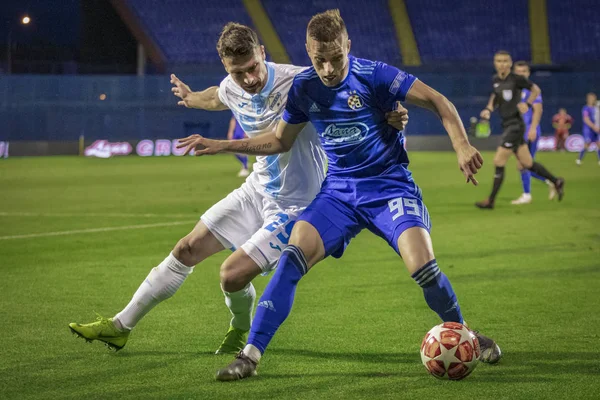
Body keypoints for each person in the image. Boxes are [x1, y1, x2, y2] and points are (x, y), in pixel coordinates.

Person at [177, 9, 502, 381]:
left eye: (336, 59)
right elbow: (280, 141)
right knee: (291, 257)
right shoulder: (304, 88)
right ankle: (250, 355)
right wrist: (221, 144)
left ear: (348, 45)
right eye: (319, 60)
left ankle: (464, 333)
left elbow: (438, 101)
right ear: (308, 52)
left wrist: (461, 146)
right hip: (339, 193)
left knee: (424, 268)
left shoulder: (375, 74)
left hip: (388, 187)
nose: (328, 69)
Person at [68, 22, 408, 354]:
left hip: (299, 206)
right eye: (238, 73)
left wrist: (391, 113)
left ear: (262, 53)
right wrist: (191, 98)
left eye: (253, 68)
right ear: (226, 68)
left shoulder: (299, 81)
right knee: (186, 248)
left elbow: (343, 96)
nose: (249, 79)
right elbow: (217, 96)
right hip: (256, 190)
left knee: (231, 276)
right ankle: (120, 327)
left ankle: (241, 326)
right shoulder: (232, 86)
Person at [475, 51, 564, 209]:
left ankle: (491, 201)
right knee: (527, 163)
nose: (502, 64)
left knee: (498, 161)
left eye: (505, 61)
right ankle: (556, 181)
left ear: (510, 63)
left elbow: (536, 89)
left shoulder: (516, 79)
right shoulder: (496, 80)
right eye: (498, 61)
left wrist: (528, 104)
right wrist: (488, 109)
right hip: (508, 125)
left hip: (515, 126)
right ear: (495, 63)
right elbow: (495, 97)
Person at [510, 61, 555, 205]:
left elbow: (538, 110)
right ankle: (550, 182)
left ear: (528, 73)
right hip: (518, 131)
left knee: (524, 164)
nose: (521, 74)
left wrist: (533, 128)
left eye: (524, 71)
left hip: (529, 131)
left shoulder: (532, 90)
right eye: (518, 72)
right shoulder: (513, 89)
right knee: (524, 164)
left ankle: (528, 194)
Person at [576, 93, 600, 165]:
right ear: (588, 99)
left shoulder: (596, 108)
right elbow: (586, 119)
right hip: (588, 129)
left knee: (598, 143)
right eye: (591, 98)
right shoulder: (586, 108)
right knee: (587, 144)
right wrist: (594, 126)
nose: (593, 99)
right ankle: (579, 159)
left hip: (596, 128)